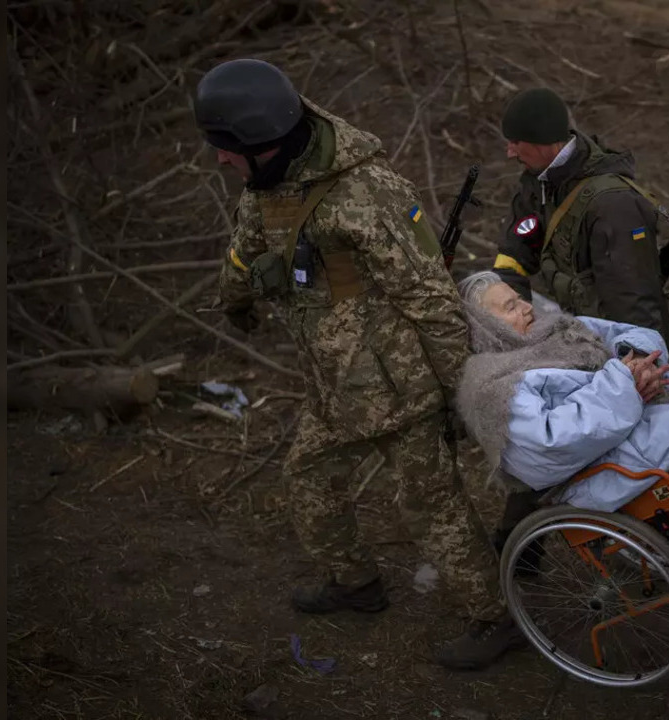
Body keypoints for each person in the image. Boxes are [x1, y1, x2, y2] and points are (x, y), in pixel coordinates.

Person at [194, 58, 518, 670]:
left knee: (430, 505)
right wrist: (236, 299)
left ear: (261, 143)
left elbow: (430, 298)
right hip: (333, 386)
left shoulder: (368, 192)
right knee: (309, 477)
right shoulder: (268, 184)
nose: (219, 160)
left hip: (399, 387)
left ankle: (496, 617)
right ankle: (356, 583)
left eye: (225, 149)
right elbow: (245, 251)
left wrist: (461, 390)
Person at [453, 271, 669, 515]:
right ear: (485, 327)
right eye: (511, 307)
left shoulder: (553, 329)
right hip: (614, 471)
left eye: (520, 298)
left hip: (652, 428)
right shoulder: (493, 385)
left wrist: (638, 357)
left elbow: (626, 332)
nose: (526, 307)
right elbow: (551, 444)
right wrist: (625, 382)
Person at [490, 87, 669, 342]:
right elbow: (512, 259)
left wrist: (637, 364)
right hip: (580, 339)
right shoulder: (538, 185)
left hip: (620, 349)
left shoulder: (613, 205)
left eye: (515, 142)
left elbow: (634, 303)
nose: (510, 151)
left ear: (541, 141)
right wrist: (510, 327)